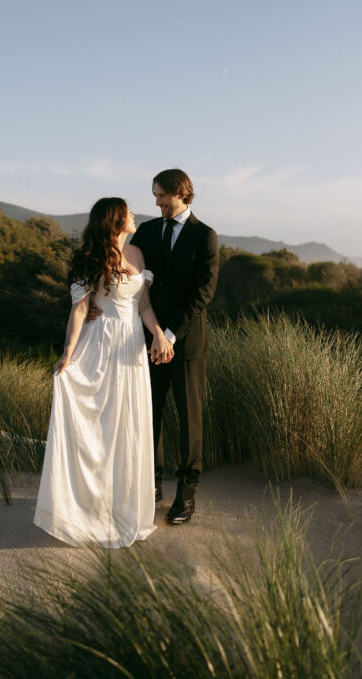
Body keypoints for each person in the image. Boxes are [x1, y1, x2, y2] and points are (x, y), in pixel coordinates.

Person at [34, 197, 169, 548]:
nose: (134, 215)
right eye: (128, 213)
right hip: (99, 343)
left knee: (128, 425)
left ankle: (121, 506)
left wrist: (157, 333)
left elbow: (143, 305)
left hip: (133, 347)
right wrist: (67, 353)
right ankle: (86, 507)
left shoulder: (137, 254)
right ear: (115, 220)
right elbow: (80, 310)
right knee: (100, 426)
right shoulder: (90, 259)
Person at [130, 168, 219, 525]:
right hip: (148, 340)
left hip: (185, 344)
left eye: (161, 195)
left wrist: (170, 334)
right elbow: (133, 280)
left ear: (181, 193)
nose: (156, 202)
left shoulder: (205, 236)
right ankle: (151, 486)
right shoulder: (147, 231)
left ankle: (186, 495)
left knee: (188, 420)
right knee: (149, 416)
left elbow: (203, 293)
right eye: (154, 195)